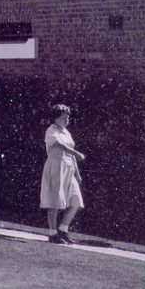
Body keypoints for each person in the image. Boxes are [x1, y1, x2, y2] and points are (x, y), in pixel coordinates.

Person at [40, 104, 85, 244]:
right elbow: (60, 145)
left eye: (68, 117)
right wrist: (76, 153)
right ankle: (53, 233)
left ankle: (63, 230)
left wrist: (77, 173)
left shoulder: (66, 132)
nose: (67, 120)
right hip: (56, 167)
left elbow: (70, 153)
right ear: (56, 118)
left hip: (69, 169)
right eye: (64, 117)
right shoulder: (51, 130)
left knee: (76, 202)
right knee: (55, 201)